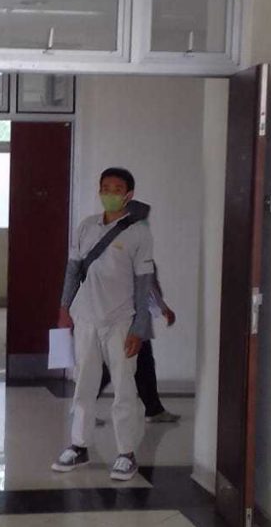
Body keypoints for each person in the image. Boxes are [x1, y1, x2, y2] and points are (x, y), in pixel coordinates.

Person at [52, 167, 154, 481]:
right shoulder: (86, 227)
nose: (109, 193)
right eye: (105, 187)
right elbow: (73, 270)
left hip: (121, 320)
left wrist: (139, 328)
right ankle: (78, 446)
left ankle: (126, 453)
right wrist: (64, 308)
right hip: (85, 318)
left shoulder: (138, 232)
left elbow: (143, 283)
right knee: (84, 383)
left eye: (116, 189)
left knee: (124, 387)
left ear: (129, 195)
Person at [97, 265, 180, 424]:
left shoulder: (130, 257)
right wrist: (164, 309)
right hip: (132, 324)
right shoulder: (138, 258)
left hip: (128, 322)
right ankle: (82, 408)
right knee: (121, 367)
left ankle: (154, 409)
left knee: (142, 366)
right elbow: (146, 288)